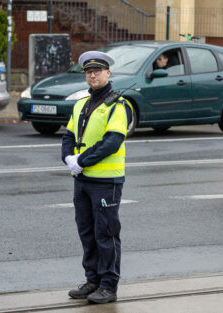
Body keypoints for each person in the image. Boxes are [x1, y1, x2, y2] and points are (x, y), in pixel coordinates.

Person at [61, 51, 133, 304]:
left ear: (108, 73)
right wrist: (68, 157)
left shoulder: (118, 105)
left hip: (106, 181)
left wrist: (81, 160)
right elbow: (69, 136)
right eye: (89, 72)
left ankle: (108, 286)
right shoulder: (80, 103)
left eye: (97, 71)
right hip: (82, 180)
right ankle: (92, 280)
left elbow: (112, 142)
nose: (92, 75)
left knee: (106, 234)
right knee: (87, 233)